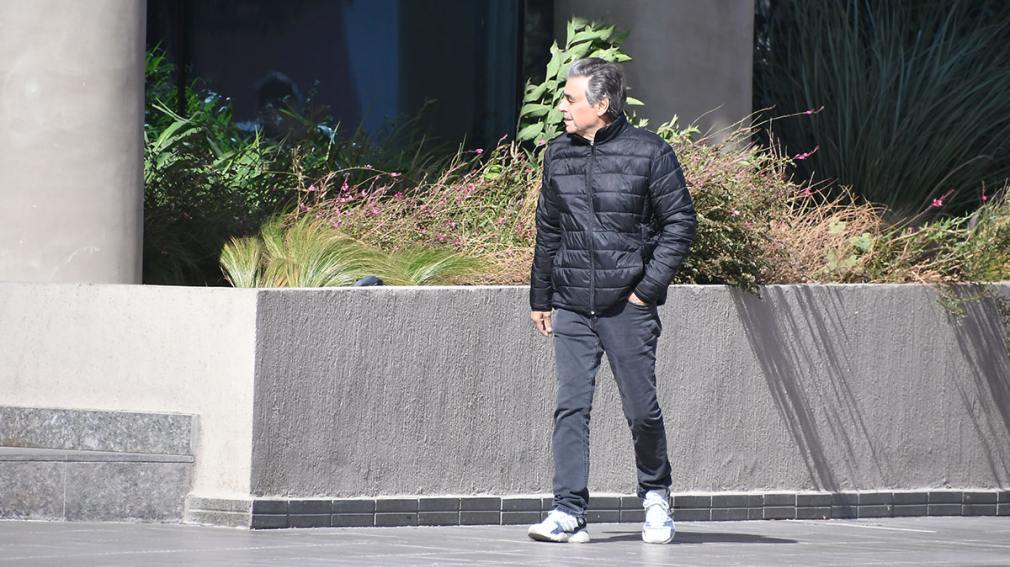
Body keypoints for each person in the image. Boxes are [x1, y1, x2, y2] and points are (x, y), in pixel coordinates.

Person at [526, 57, 697, 544]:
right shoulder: (557, 154)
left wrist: (647, 290)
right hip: (572, 303)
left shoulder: (650, 152)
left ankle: (656, 496)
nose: (562, 107)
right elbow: (549, 230)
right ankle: (568, 511)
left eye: (570, 99)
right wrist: (541, 296)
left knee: (641, 409)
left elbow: (680, 223)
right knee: (570, 407)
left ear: (601, 104)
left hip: (628, 306)